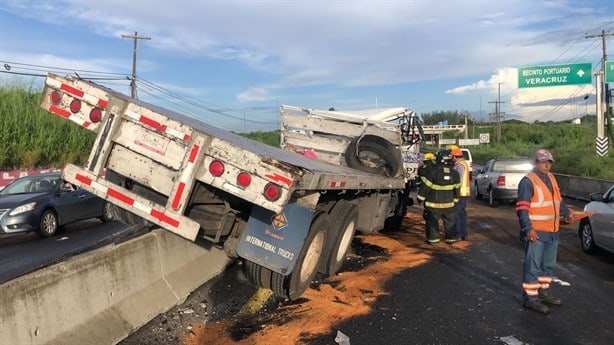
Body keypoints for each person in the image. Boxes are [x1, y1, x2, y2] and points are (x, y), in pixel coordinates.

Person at [516, 149, 572, 314]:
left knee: (547, 266)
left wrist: (566, 213)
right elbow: (522, 208)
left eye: (549, 162)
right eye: (543, 162)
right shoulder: (528, 181)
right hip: (537, 233)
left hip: (553, 231)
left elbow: (558, 199)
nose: (547, 165)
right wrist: (528, 229)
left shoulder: (551, 178)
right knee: (533, 267)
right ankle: (530, 299)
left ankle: (543, 293)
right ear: (535, 162)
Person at [417, 149, 460, 245]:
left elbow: (425, 187)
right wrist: (455, 201)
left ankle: (434, 240)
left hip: (433, 205)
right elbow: (457, 190)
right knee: (450, 222)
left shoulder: (433, 172)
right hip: (449, 205)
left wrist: (420, 199)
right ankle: (451, 239)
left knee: (432, 222)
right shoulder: (455, 174)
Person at [450, 145, 471, 240]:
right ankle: (463, 234)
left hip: (460, 193)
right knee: (462, 213)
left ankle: (458, 234)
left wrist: (454, 190)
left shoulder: (459, 165)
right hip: (463, 193)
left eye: (451, 155)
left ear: (454, 156)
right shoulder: (463, 163)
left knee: (457, 214)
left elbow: (459, 180)